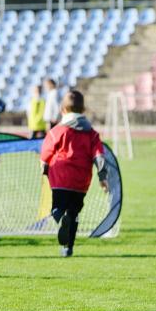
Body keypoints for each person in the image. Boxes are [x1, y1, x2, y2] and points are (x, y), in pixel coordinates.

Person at [40, 90, 108, 258]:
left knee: (58, 206)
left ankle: (58, 213)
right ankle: (68, 247)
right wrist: (102, 177)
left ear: (63, 109)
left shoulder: (58, 131)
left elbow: (46, 153)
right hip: (81, 180)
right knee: (74, 213)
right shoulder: (92, 134)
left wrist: (44, 168)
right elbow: (99, 156)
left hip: (60, 176)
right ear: (83, 109)